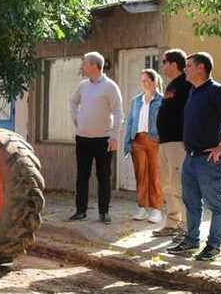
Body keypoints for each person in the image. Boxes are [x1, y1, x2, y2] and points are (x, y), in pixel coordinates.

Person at [167, 52, 221, 261]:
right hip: (191, 158)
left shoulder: (216, 90)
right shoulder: (193, 91)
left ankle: (213, 246)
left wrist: (220, 148)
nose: (185, 69)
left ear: (201, 68)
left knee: (215, 204)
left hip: (209, 160)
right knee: (191, 203)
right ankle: (191, 241)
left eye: (189, 66)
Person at [69, 52, 123, 224]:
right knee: (82, 176)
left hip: (103, 139)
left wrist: (114, 137)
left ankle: (104, 212)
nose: (82, 66)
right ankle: (80, 211)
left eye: (84, 63)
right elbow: (73, 102)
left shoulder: (110, 86)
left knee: (104, 177)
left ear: (94, 66)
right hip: (82, 139)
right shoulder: (83, 86)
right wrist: (76, 118)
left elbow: (118, 112)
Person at [152, 49, 192, 239]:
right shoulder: (172, 85)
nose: (162, 66)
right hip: (165, 142)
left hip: (178, 143)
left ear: (174, 64)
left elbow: (189, 114)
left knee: (178, 185)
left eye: (164, 62)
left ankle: (187, 227)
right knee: (167, 185)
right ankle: (172, 224)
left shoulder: (186, 84)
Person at [122, 69, 164, 224]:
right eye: (142, 81)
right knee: (141, 176)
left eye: (146, 80)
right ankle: (142, 208)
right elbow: (130, 123)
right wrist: (128, 143)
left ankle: (157, 210)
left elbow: (165, 123)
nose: (143, 83)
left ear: (154, 82)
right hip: (137, 141)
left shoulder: (162, 100)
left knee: (155, 175)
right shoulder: (136, 101)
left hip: (154, 140)